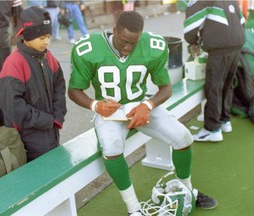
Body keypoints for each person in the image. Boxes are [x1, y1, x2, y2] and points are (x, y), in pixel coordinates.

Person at [68, 11, 218, 215]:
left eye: (134, 43)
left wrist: (147, 105)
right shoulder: (89, 48)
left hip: (140, 103)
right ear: (115, 31)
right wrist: (96, 105)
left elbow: (165, 88)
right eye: (123, 42)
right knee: (112, 147)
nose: (128, 48)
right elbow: (74, 90)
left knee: (183, 137)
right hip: (108, 110)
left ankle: (187, 189)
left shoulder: (153, 45)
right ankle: (134, 208)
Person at [0, 6, 67, 162]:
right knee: (37, 176)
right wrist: (44, 120)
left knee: (53, 169)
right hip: (26, 138)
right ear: (26, 36)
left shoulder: (49, 57)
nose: (47, 41)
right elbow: (11, 104)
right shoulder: (14, 62)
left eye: (49, 36)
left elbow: (59, 87)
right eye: (42, 38)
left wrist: (57, 117)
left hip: (51, 130)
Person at [184, 0, 246, 142]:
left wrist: (193, 42)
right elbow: (242, 21)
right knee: (227, 84)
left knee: (214, 87)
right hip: (237, 45)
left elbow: (190, 27)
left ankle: (212, 129)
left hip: (220, 48)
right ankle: (224, 120)